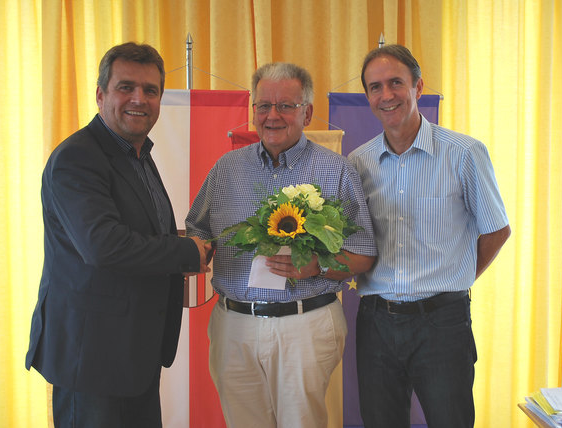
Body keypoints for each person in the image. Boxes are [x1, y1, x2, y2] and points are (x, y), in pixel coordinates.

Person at [25, 42, 212, 428]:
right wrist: (187, 253)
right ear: (100, 94)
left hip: (132, 354)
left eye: (151, 90)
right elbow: (103, 245)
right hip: (92, 359)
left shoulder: (137, 155)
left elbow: (138, 232)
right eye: (126, 87)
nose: (138, 99)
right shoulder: (77, 158)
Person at [186, 62, 377, 428]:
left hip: (305, 324)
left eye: (285, 106)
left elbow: (364, 252)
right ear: (253, 111)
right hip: (234, 326)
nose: (272, 115)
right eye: (263, 106)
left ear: (306, 112)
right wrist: (198, 249)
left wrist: (318, 265)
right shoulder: (226, 169)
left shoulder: (336, 170)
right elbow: (197, 227)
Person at [348, 44, 511, 428]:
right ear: (368, 97)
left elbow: (497, 230)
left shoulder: (465, 153)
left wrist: (457, 279)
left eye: (395, 83)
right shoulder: (357, 163)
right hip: (376, 325)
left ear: (418, 86)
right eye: (375, 87)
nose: (386, 95)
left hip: (442, 324)